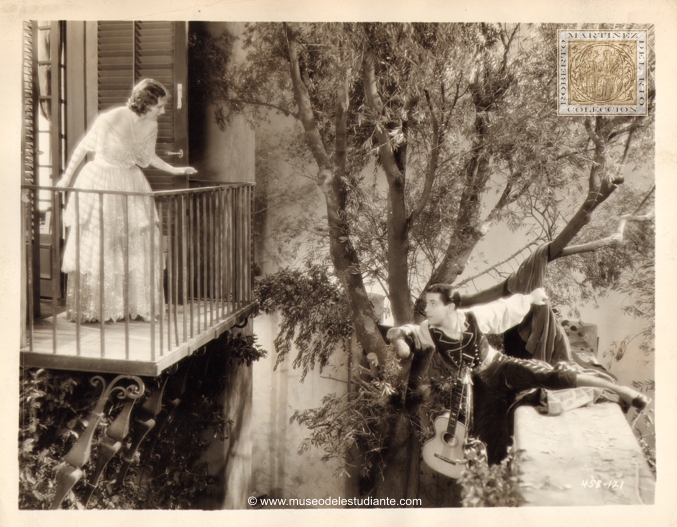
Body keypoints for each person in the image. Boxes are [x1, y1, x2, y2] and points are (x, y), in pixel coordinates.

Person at [387, 284, 650, 465]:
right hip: (480, 385)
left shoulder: (473, 317)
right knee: (487, 439)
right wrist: (400, 343)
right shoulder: (428, 329)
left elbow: (505, 310)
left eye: (433, 303)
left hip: (500, 367)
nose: (427, 308)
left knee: (551, 375)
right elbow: (399, 331)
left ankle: (622, 392)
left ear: (451, 306)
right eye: (427, 304)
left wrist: (532, 298)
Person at [56, 79, 197, 323]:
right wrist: (66, 179)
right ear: (146, 103)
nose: (163, 111)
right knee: (101, 242)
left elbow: (147, 157)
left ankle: (132, 305)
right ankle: (96, 308)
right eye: (160, 106)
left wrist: (175, 170)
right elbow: (83, 148)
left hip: (130, 181)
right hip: (100, 178)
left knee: (134, 242)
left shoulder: (150, 126)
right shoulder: (111, 118)